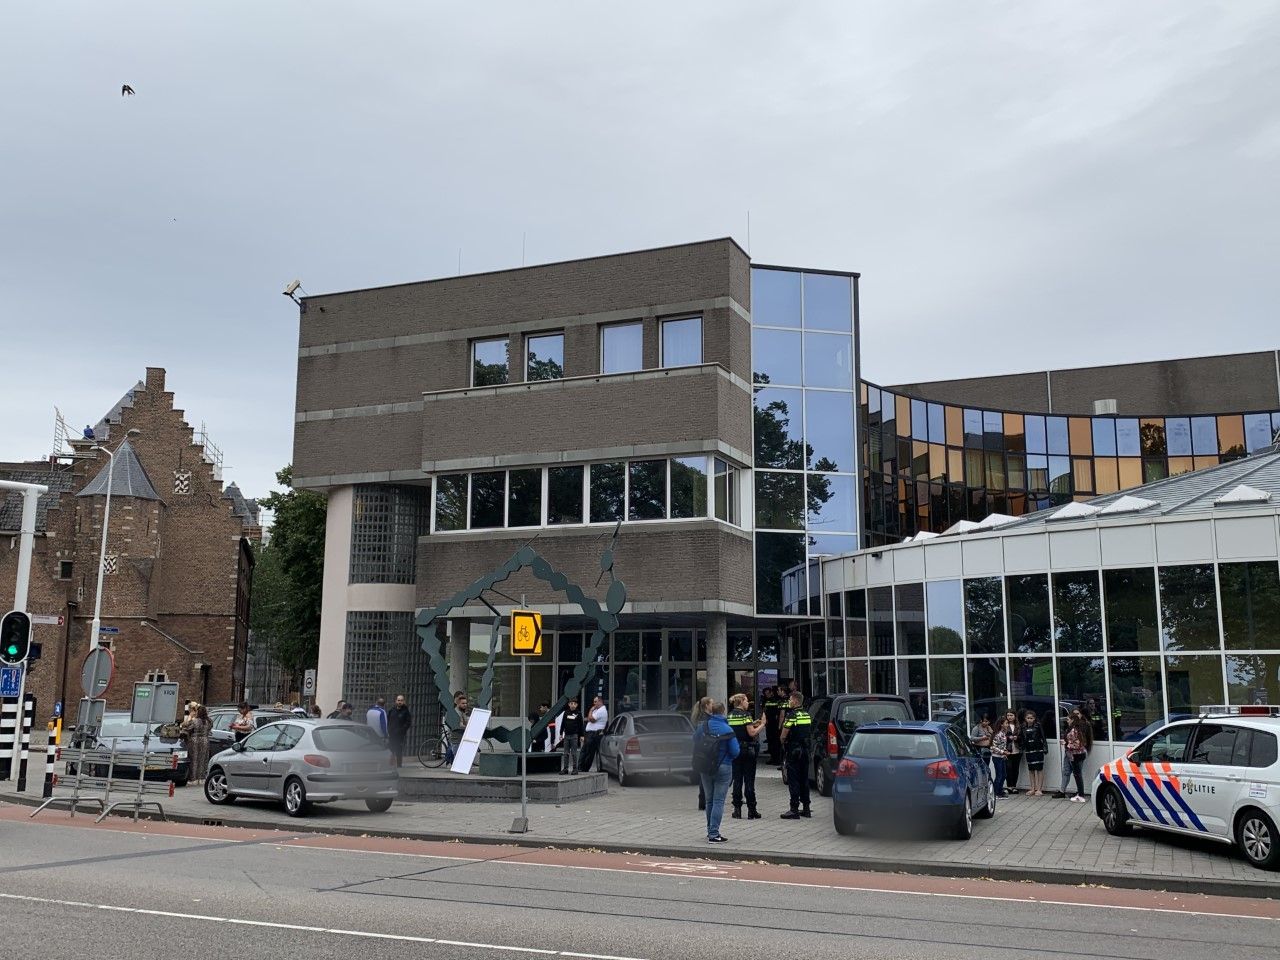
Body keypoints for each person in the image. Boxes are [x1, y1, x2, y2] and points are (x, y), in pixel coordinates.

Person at [693, 700, 739, 843]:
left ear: (711, 711)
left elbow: (694, 740)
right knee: (719, 801)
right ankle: (714, 834)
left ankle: (709, 831)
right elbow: (735, 751)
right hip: (723, 766)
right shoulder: (727, 729)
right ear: (723, 711)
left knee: (709, 800)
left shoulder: (703, 726)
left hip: (705, 766)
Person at [727, 693, 765, 820]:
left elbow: (738, 729)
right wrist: (762, 724)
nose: (748, 703)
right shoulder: (746, 715)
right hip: (747, 750)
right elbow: (752, 732)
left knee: (737, 781)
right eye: (747, 701)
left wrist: (753, 722)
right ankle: (751, 810)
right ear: (742, 702)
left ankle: (737, 810)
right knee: (749, 780)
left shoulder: (730, 715)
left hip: (735, 750)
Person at [779, 691, 813, 819]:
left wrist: (783, 742)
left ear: (795, 701)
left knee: (793, 779)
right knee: (804, 779)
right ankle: (806, 808)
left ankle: (794, 809)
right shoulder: (807, 714)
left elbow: (783, 735)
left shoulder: (791, 715)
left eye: (790, 700)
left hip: (794, 750)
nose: (789, 702)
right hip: (805, 750)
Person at [1058, 711, 1092, 802]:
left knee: (1077, 775)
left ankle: (1080, 795)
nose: (1067, 721)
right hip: (1078, 754)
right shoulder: (1076, 729)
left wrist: (1066, 744)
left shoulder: (1074, 730)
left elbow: (1077, 744)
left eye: (1068, 719)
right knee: (1077, 774)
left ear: (1072, 720)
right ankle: (1080, 794)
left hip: (1076, 754)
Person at [690, 696, 714, 810]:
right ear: (706, 706)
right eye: (711, 704)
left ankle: (702, 801)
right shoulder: (707, 719)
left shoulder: (699, 718)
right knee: (706, 777)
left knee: (703, 777)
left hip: (699, 751)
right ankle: (706, 801)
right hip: (706, 751)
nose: (713, 706)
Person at [179, 703, 211, 782]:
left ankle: (193, 778)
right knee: (203, 759)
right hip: (205, 740)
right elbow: (210, 729)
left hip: (194, 741)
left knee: (194, 759)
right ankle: (201, 778)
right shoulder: (209, 721)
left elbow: (186, 728)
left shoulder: (195, 721)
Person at [579, 695, 609, 773]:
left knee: (589, 751)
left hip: (594, 734)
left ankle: (584, 768)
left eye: (595, 702)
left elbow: (591, 719)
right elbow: (587, 719)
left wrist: (591, 710)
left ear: (600, 701)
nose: (594, 703)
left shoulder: (601, 710)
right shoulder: (598, 709)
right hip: (590, 733)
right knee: (585, 750)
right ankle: (580, 767)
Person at [1021, 710, 1047, 796]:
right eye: (1028, 718)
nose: (1029, 720)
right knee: (1031, 769)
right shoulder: (1023, 727)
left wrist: (1045, 747)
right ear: (1025, 718)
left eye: (1031, 718)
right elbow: (1022, 738)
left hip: (1038, 749)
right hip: (1029, 750)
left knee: (1039, 768)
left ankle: (1039, 789)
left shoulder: (1038, 726)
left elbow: (1043, 737)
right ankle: (1032, 788)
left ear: (1034, 718)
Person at [558, 697, 584, 775]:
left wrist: (582, 735)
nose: (573, 705)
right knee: (566, 753)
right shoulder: (566, 713)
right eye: (571, 703)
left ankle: (575, 768)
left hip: (574, 735)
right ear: (569, 704)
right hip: (567, 735)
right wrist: (560, 733)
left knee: (574, 753)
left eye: (574, 704)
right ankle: (565, 768)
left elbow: (581, 725)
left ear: (577, 705)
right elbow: (563, 723)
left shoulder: (578, 714)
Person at [1000, 710, 1022, 795]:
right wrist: (1009, 737)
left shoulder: (1018, 725)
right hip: (1007, 749)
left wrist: (1017, 738)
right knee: (1008, 768)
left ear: (1015, 716)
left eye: (1011, 715)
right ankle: (1009, 786)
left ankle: (1014, 786)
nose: (1009, 717)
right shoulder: (1004, 725)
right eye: (1008, 715)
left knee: (1015, 769)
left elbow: (1022, 736)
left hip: (1017, 749)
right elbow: (1001, 736)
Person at [970, 714, 994, 790]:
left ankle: (987, 782)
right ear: (981, 721)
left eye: (987, 722)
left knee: (987, 766)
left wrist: (991, 732)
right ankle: (981, 783)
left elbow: (993, 736)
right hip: (979, 749)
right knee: (981, 767)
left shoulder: (989, 728)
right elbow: (972, 738)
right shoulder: (976, 728)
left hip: (987, 749)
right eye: (984, 721)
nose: (985, 723)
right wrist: (982, 738)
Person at [387, 694, 412, 766]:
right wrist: (389, 729)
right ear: (396, 701)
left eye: (401, 700)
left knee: (399, 750)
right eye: (398, 700)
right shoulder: (392, 710)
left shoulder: (406, 711)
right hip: (391, 734)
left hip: (400, 735)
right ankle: (390, 765)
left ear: (404, 701)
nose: (400, 702)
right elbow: (388, 721)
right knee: (391, 749)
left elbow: (408, 723)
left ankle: (399, 765)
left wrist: (402, 730)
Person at [762, 686, 784, 766]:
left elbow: (780, 713)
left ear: (771, 692)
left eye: (768, 693)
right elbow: (764, 710)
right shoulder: (765, 701)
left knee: (776, 742)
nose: (767, 695)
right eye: (765, 694)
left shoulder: (777, 700)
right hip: (769, 724)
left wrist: (779, 725)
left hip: (775, 723)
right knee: (770, 741)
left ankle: (777, 759)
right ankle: (772, 758)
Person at [989, 717, 1009, 799]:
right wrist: (1002, 752)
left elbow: (1002, 745)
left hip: (1001, 757)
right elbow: (993, 747)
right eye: (1006, 723)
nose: (1007, 725)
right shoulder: (997, 734)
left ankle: (1000, 790)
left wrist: (1005, 752)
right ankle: (996, 792)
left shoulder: (1003, 733)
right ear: (1001, 724)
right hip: (997, 757)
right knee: (999, 775)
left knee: (1004, 775)